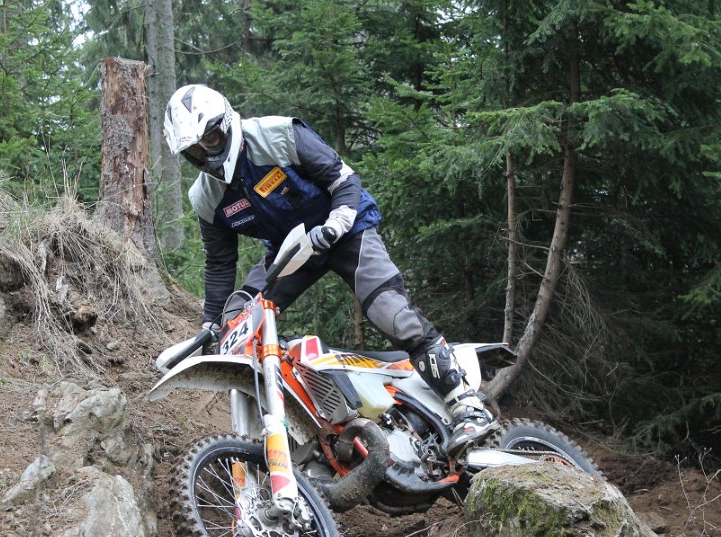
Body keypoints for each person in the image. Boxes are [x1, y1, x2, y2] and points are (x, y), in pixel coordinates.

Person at [163, 83, 497, 455]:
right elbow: (219, 263)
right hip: (292, 251)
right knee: (236, 319)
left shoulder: (279, 135)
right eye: (195, 150)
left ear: (226, 125)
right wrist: (211, 322)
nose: (206, 154)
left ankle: (465, 403)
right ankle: (281, 432)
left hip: (347, 228)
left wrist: (337, 222)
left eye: (210, 139)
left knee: (391, 313)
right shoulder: (205, 197)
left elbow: (343, 178)